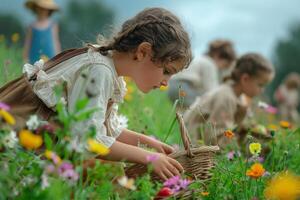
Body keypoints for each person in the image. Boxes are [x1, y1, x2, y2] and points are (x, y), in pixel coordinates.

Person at [0, 7, 192, 180]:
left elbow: (100, 130)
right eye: (167, 71)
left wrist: (150, 143)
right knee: (109, 171)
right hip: (14, 139)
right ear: (142, 52)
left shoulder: (108, 67)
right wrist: (149, 157)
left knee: (109, 167)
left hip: (36, 137)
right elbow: (87, 140)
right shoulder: (99, 70)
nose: (166, 82)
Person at [184, 53, 274, 148]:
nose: (262, 90)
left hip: (203, 145)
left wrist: (251, 130)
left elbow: (234, 127)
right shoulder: (225, 97)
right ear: (245, 79)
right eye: (260, 85)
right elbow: (215, 138)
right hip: (194, 147)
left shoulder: (238, 97)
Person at [168, 39, 236, 107]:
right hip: (185, 88)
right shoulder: (210, 63)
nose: (222, 69)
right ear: (217, 56)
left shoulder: (201, 59)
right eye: (225, 65)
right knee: (203, 110)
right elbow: (211, 90)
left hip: (172, 86)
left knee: (183, 113)